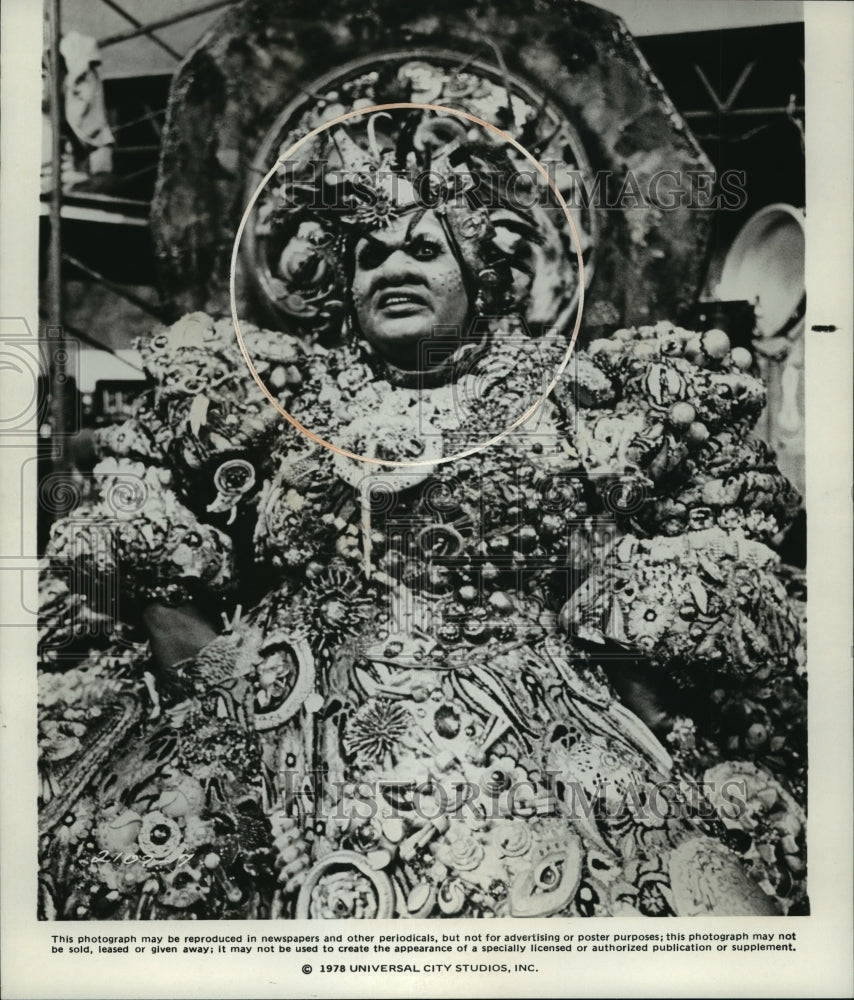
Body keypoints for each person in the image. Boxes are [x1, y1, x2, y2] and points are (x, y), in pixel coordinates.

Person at [37, 106, 806, 921]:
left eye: (425, 249)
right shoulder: (271, 397)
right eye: (370, 255)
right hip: (281, 732)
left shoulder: (569, 398)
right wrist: (195, 646)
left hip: (526, 746)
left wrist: (619, 614)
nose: (392, 268)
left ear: (479, 275)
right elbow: (127, 490)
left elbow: (721, 526)